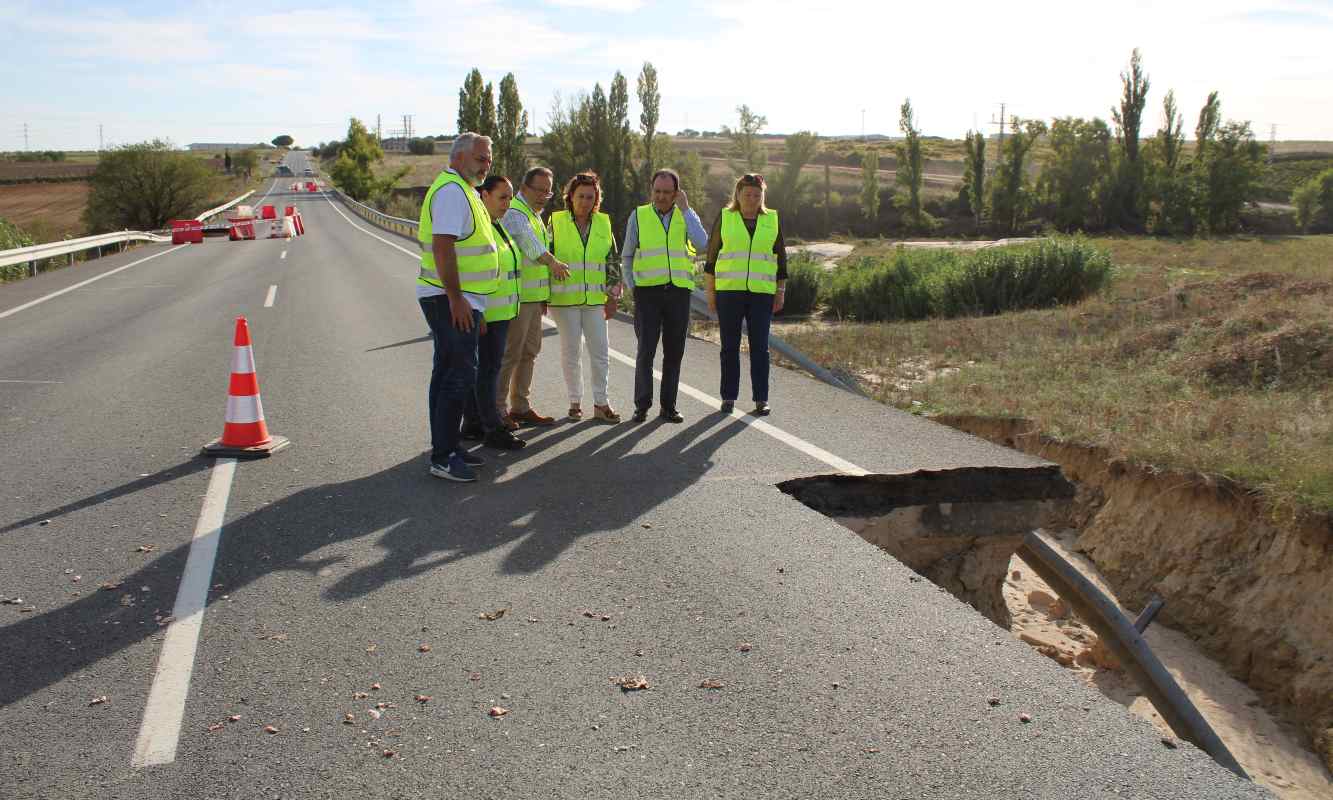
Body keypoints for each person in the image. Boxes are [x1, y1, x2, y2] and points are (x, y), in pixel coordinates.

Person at [417, 132, 499, 482]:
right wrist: (457, 299)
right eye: (481, 158)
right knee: (458, 376)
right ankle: (444, 456)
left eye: (489, 159)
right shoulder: (452, 192)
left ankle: (448, 446)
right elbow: (443, 247)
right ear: (459, 157)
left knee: (447, 372)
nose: (487, 165)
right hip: (449, 297)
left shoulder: (463, 189)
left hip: (460, 298)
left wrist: (472, 304)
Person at [622, 169, 708, 423]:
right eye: (657, 191)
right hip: (648, 293)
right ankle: (642, 405)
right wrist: (633, 287)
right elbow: (626, 255)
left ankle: (668, 406)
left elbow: (702, 243)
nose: (660, 196)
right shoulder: (638, 215)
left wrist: (686, 210)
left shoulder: (686, 216)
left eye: (667, 192)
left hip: (679, 293)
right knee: (645, 351)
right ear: (651, 191)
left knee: (674, 353)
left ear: (676, 193)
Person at [705, 173, 787, 416]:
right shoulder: (726, 217)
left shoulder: (772, 219)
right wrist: (711, 293)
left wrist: (780, 292)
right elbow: (711, 259)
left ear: (763, 195)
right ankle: (728, 397)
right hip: (729, 292)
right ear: (738, 195)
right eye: (747, 194)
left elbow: (781, 259)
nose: (751, 198)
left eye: (756, 194)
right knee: (729, 347)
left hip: (761, 294)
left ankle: (761, 399)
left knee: (760, 348)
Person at [496, 166, 571, 429]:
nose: (543, 196)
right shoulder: (516, 213)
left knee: (529, 352)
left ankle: (520, 407)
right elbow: (531, 247)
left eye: (547, 192)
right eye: (538, 190)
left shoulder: (534, 215)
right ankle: (498, 410)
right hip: (517, 299)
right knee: (511, 354)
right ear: (524, 188)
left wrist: (544, 296)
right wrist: (553, 263)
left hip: (533, 298)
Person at [460, 176, 527, 450]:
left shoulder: (497, 226)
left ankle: (474, 423)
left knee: (483, 370)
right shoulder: (479, 228)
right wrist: (480, 313)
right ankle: (493, 428)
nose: (507, 203)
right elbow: (467, 272)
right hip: (487, 313)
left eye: (510, 197)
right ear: (484, 195)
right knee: (487, 372)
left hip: (501, 312)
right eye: (502, 197)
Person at [548, 171, 621, 423]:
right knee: (571, 352)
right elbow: (546, 257)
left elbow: (612, 260)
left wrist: (613, 297)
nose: (585, 201)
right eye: (580, 196)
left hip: (594, 301)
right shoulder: (555, 222)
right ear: (570, 197)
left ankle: (601, 403)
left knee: (600, 351)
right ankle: (574, 402)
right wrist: (540, 296)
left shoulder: (604, 223)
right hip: (564, 300)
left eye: (590, 197)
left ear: (596, 198)